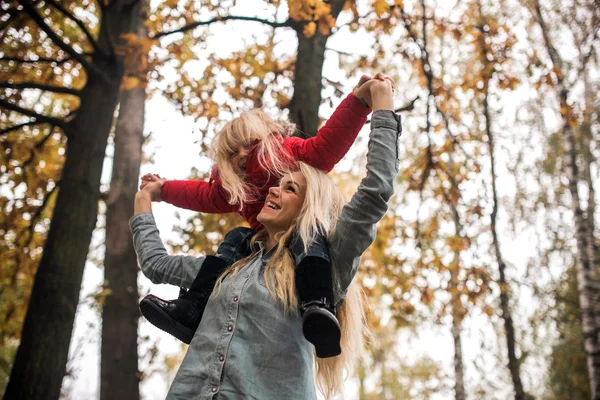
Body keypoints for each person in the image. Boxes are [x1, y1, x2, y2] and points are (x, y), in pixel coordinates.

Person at [130, 76, 401, 399]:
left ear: (309, 202)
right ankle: (191, 307)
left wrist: (374, 102)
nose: (273, 188)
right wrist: (147, 198)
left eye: (290, 188)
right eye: (278, 184)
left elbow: (372, 189)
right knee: (233, 239)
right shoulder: (227, 269)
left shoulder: (327, 257)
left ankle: (318, 305)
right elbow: (156, 263)